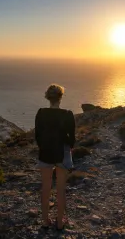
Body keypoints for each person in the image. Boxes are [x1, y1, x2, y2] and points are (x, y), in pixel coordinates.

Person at [35, 84, 76, 230]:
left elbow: (37, 136)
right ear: (61, 97)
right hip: (62, 153)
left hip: (45, 153)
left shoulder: (40, 113)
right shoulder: (67, 114)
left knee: (45, 188)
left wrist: (44, 147)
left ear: (48, 97)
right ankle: (59, 222)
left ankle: (45, 221)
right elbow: (72, 139)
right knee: (60, 189)